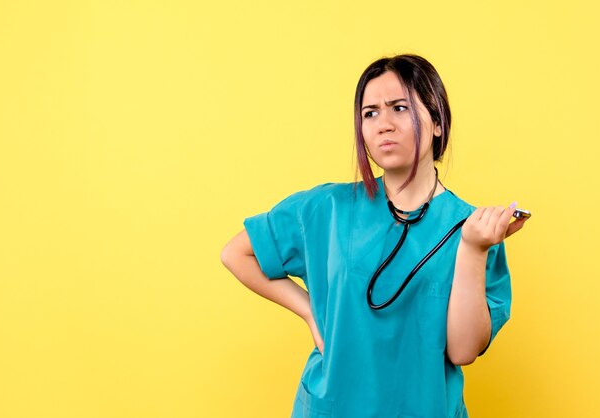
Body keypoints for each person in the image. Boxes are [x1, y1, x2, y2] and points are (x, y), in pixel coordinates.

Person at [220, 54, 528, 418]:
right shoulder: (327, 208)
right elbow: (236, 253)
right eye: (370, 113)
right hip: (333, 407)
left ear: (438, 122)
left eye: (399, 108)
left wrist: (474, 250)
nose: (383, 124)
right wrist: (309, 312)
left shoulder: (472, 228)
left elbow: (463, 351)